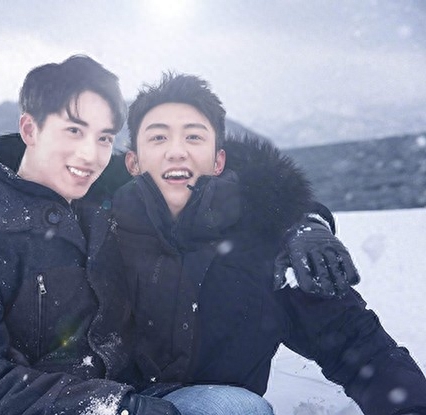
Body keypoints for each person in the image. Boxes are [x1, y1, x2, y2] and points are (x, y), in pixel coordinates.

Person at [0, 58, 363, 415]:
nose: (89, 153)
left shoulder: (103, 189)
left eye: (104, 137)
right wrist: (117, 408)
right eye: (73, 130)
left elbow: (213, 175)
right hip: (35, 407)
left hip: (132, 392)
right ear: (30, 129)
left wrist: (301, 221)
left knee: (238, 409)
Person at [105, 72, 426, 414]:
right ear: (132, 162)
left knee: (236, 408)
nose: (176, 151)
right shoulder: (95, 232)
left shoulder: (267, 249)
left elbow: (360, 348)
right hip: (100, 404)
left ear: (219, 161)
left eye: (194, 137)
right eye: (158, 137)